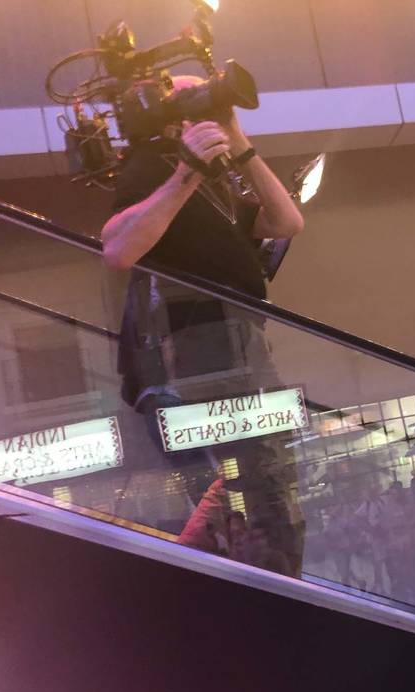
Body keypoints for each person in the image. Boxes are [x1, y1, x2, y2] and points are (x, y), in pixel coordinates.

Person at [101, 74, 306, 574]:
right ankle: (239, 577)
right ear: (170, 118)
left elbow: (287, 223)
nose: (205, 112)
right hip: (193, 354)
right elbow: (118, 248)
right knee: (235, 494)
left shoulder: (217, 183)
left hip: (244, 345)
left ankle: (280, 579)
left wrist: (238, 139)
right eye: (192, 101)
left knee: (273, 488)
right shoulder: (151, 168)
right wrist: (186, 170)